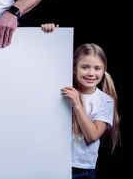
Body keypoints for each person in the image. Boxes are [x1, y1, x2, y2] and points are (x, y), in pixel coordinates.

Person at [41, 23, 121, 178]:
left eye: (97, 68)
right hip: (51, 163)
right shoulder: (61, 90)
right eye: (85, 67)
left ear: (103, 71)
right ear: (73, 68)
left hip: (81, 169)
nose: (91, 73)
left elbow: (92, 135)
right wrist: (49, 34)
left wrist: (77, 104)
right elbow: (46, 61)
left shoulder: (105, 101)